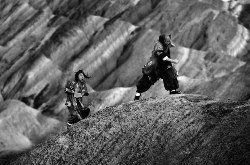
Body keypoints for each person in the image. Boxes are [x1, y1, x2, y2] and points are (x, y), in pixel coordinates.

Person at [134, 34, 181, 100]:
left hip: (164, 65)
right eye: (167, 41)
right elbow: (163, 57)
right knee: (147, 80)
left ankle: (173, 91)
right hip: (157, 66)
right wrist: (173, 61)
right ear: (163, 41)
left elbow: (168, 47)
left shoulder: (165, 45)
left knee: (171, 75)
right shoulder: (158, 46)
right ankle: (137, 95)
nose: (168, 42)